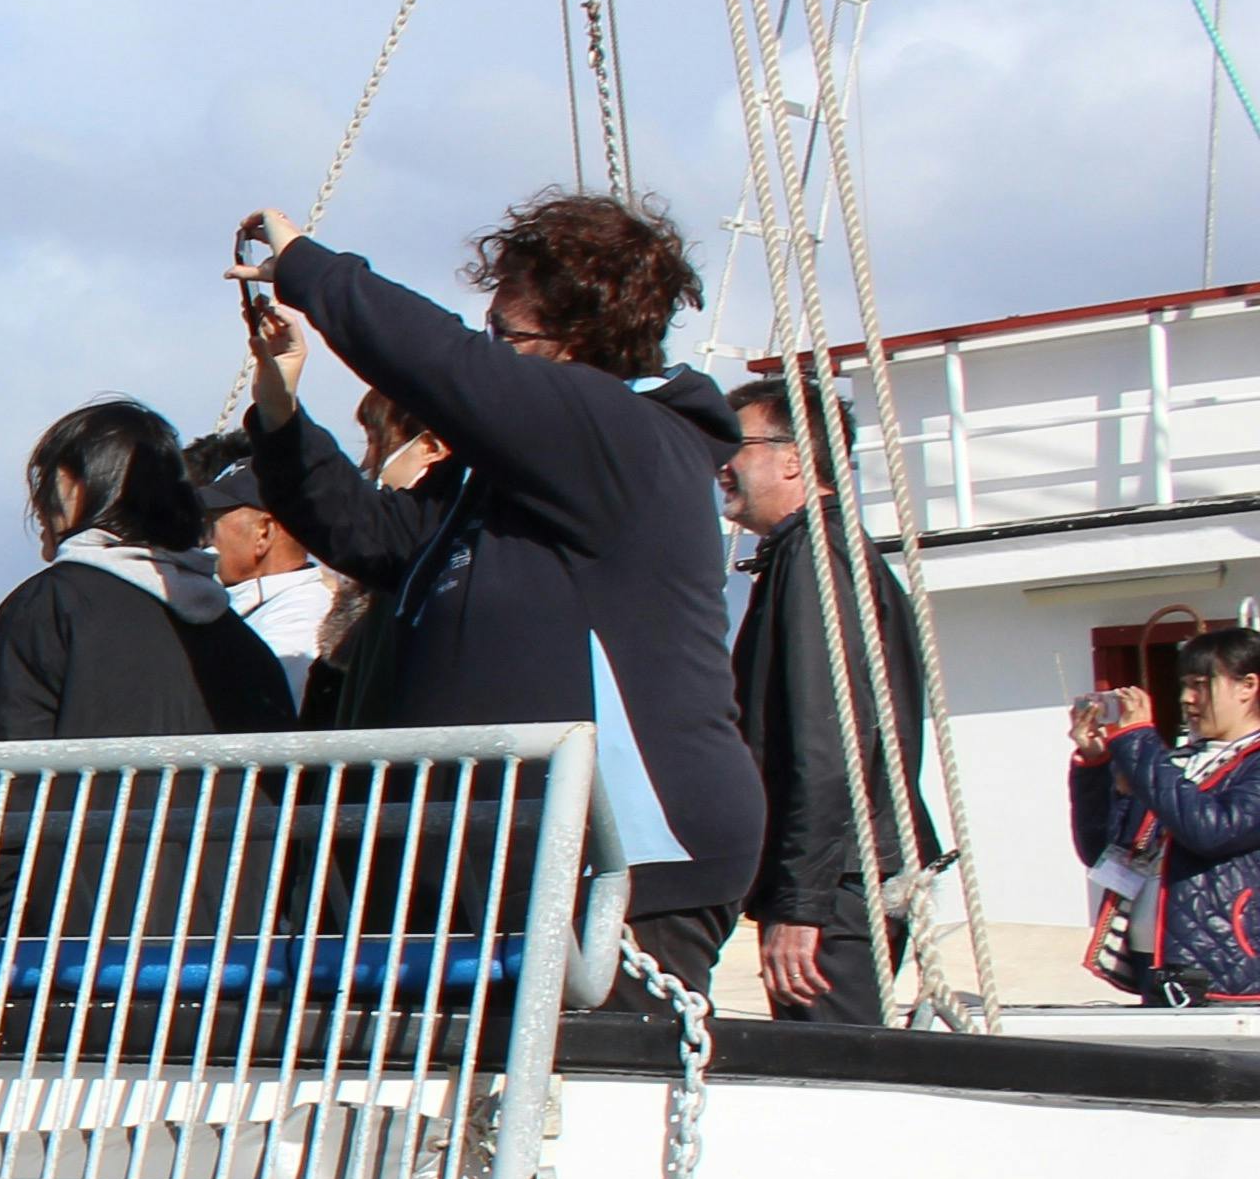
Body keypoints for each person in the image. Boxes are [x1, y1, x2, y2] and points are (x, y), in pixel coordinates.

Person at [234, 192, 762, 986]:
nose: (490, 348)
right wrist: (279, 409)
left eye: (504, 335)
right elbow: (370, 536)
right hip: (504, 868)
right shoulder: (517, 480)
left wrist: (307, 267)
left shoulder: (623, 435)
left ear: (577, 344)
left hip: (621, 865)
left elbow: (444, 365)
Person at [705, 371, 942, 1024]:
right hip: (847, 873)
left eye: (734, 446)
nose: (720, 464)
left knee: (834, 1073)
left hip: (839, 882)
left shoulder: (814, 559)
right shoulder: (818, 554)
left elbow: (829, 736)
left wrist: (801, 905)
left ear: (791, 456)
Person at [0, 403, 300, 740]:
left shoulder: (51, 605)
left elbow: (5, 765)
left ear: (76, 487)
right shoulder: (241, 639)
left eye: (47, 478)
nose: (38, 503)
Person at [1078, 628, 1260, 1005]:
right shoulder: (1176, 762)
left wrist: (1139, 742)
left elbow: (1211, 830)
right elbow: (1101, 848)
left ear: (1247, 686)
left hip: (1228, 965)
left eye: (1200, 685)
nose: (1186, 699)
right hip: (1157, 958)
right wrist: (1096, 765)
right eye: (1184, 685)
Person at [181, 431, 346, 708]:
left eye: (212, 523)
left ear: (264, 532)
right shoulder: (264, 604)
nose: (204, 538)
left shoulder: (300, 619)